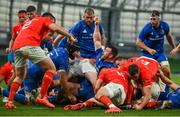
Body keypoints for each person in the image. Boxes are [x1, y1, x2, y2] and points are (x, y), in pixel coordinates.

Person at [5, 10, 75, 109]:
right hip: (30, 46)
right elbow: (55, 28)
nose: (51, 26)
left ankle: (10, 101)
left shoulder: (30, 22)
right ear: (49, 19)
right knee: (51, 69)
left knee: (19, 76)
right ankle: (42, 97)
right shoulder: (44, 19)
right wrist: (69, 35)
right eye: (52, 22)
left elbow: (47, 40)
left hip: (17, 47)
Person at [136, 10, 176, 79]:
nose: (152, 21)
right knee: (151, 74)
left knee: (166, 70)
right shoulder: (147, 28)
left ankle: (167, 89)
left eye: (154, 19)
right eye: (151, 19)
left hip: (160, 53)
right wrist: (149, 49)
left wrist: (174, 48)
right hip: (147, 54)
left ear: (159, 19)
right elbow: (138, 42)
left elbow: (169, 36)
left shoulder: (165, 26)